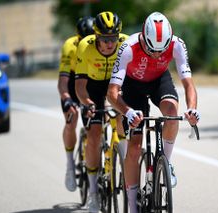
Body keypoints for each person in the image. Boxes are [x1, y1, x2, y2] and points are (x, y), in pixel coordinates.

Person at [107, 12, 200, 213]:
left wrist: (192, 108)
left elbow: (188, 84)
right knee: (134, 147)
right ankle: (132, 206)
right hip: (133, 86)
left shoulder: (177, 44)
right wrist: (128, 111)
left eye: (162, 50)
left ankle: (165, 162)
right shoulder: (128, 48)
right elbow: (112, 93)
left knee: (172, 113)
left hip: (159, 80)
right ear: (143, 38)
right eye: (152, 50)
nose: (158, 55)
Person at [75, 11, 128, 212]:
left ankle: (124, 162)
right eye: (105, 38)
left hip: (115, 83)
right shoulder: (85, 47)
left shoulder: (124, 43)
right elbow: (79, 85)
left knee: (124, 117)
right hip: (93, 87)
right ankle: (93, 195)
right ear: (96, 36)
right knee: (95, 134)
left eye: (113, 38)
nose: (109, 43)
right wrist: (87, 103)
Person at [57, 16, 94, 192]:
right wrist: (66, 98)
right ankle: (70, 165)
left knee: (94, 121)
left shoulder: (97, 45)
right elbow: (63, 80)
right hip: (73, 80)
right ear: (77, 37)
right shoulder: (69, 46)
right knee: (72, 119)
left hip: (91, 77)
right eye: (82, 40)